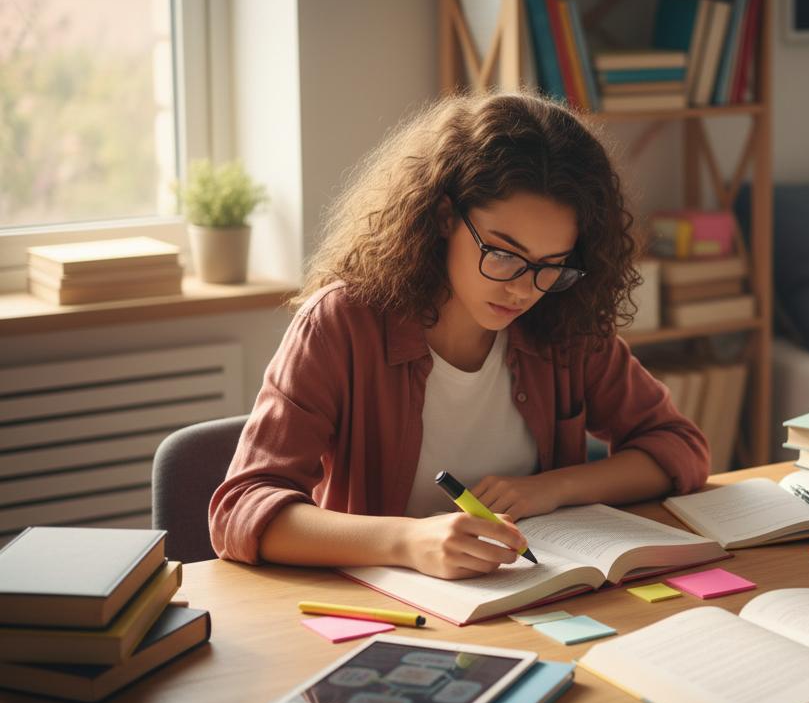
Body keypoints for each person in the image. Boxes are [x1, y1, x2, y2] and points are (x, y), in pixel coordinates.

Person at [209, 92, 709, 580]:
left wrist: (552, 488)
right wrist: (406, 542)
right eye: (504, 253)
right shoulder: (343, 323)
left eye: (551, 265)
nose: (522, 289)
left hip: (535, 596)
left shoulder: (561, 317)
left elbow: (679, 447)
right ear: (445, 217)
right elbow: (241, 508)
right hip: (386, 616)